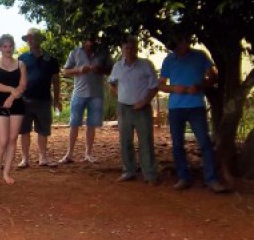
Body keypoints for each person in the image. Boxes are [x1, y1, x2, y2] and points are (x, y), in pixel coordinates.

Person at [159, 33, 229, 192]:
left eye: (185, 41)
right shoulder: (169, 59)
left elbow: (213, 76)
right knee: (177, 144)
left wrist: (199, 86)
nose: (183, 44)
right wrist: (173, 88)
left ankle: (211, 179)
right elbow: (161, 85)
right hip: (176, 107)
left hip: (196, 106)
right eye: (180, 42)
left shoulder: (200, 56)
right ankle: (183, 177)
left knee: (204, 142)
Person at [108, 35, 160, 184]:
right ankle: (128, 171)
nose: (129, 51)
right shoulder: (117, 66)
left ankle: (150, 175)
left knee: (145, 142)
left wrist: (145, 101)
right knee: (125, 141)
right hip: (124, 108)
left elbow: (154, 86)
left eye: (132, 47)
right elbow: (111, 82)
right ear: (122, 49)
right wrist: (119, 94)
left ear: (137, 48)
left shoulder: (146, 65)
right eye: (126, 48)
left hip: (142, 108)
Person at [60, 35, 111, 164]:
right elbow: (65, 71)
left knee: (92, 124)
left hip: (96, 94)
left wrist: (101, 69)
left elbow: (111, 69)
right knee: (74, 124)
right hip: (79, 93)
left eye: (92, 39)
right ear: (83, 40)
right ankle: (69, 153)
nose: (90, 42)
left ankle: (88, 153)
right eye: (88, 39)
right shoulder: (75, 52)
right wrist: (78, 70)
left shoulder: (103, 52)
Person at [18, 28, 61, 168]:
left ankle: (43, 157)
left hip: (44, 100)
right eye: (28, 38)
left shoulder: (51, 59)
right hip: (25, 99)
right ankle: (25, 159)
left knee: (43, 129)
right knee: (24, 130)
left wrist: (57, 99)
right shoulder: (22, 58)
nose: (30, 40)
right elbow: (16, 78)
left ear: (40, 40)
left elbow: (56, 80)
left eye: (33, 37)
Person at [0, 34, 27, 186]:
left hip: (17, 104)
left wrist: (12, 97)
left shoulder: (21, 64)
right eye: (4, 46)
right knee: (2, 140)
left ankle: (6, 173)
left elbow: (22, 85)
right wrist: (11, 90)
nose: (8, 49)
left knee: (12, 139)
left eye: (10, 46)